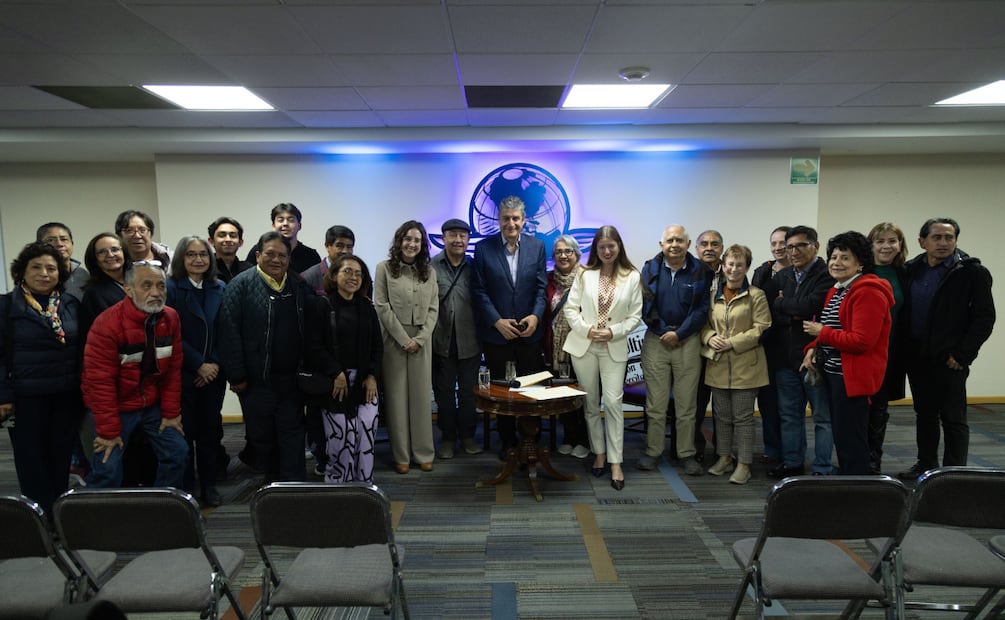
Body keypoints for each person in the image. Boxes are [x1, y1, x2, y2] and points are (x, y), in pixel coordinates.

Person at [218, 231, 328, 482]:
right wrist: (236, 375)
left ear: (289, 260)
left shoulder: (298, 285)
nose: (276, 260)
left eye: (282, 255)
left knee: (292, 432)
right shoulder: (241, 285)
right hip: (256, 380)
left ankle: (293, 485)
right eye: (270, 254)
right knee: (262, 435)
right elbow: (228, 331)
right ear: (258, 255)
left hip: (291, 378)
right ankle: (273, 483)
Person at [898, 218, 995, 479]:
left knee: (953, 418)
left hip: (950, 359)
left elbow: (984, 318)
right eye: (937, 237)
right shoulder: (910, 269)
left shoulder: (972, 273)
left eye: (949, 237)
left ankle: (954, 472)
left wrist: (963, 354)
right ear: (922, 241)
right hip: (918, 356)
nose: (943, 243)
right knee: (925, 414)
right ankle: (926, 464)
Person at [81, 260, 188, 488]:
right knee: (108, 467)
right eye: (146, 285)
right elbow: (100, 383)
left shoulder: (171, 318)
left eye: (161, 286)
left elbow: (172, 372)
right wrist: (109, 432)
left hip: (150, 404)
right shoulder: (107, 325)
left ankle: (163, 506)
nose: (156, 292)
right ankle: (95, 517)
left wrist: (171, 414)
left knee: (177, 451)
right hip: (114, 406)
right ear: (128, 290)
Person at [0, 242, 83, 515]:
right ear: (22, 271)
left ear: (60, 273)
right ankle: (38, 518)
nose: (44, 273)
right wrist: (4, 395)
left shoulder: (70, 304)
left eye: (51, 268)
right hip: (25, 399)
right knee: (30, 460)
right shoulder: (6, 306)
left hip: (66, 395)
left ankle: (58, 513)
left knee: (60, 457)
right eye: (36, 267)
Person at [802, 232, 893, 475]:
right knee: (843, 436)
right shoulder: (838, 289)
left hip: (853, 378)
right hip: (835, 374)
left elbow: (862, 341)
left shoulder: (868, 292)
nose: (836, 262)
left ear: (860, 263)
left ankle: (859, 494)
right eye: (833, 257)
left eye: (845, 258)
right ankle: (850, 484)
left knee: (853, 440)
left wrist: (821, 333)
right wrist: (811, 349)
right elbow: (830, 329)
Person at [563, 226, 642, 491]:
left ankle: (616, 461)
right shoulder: (585, 274)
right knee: (589, 403)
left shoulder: (631, 276)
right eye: (602, 247)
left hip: (614, 345)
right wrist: (587, 330)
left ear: (619, 246)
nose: (607, 251)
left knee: (613, 402)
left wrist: (612, 331)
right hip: (584, 345)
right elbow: (570, 309)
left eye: (611, 246)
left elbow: (635, 316)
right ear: (595, 250)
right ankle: (599, 452)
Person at [472, 196, 548, 458]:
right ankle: (507, 440)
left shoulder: (537, 247)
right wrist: (496, 321)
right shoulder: (483, 249)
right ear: (499, 220)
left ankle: (531, 438)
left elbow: (541, 288)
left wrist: (536, 316)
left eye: (516, 218)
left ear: (523, 220)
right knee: (502, 388)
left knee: (530, 387)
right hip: (497, 333)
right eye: (506, 218)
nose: (511, 223)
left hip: (529, 332)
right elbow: (479, 291)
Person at [637, 224, 711, 476]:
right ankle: (653, 452)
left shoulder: (700, 270)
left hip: (687, 341)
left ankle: (686, 454)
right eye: (669, 240)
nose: (674, 245)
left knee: (686, 405)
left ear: (688, 244)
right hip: (656, 341)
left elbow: (702, 309)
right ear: (661, 245)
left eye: (679, 240)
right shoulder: (650, 268)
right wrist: (663, 332)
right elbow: (645, 304)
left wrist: (679, 333)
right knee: (655, 404)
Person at [766, 225, 835, 478]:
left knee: (822, 418)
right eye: (790, 246)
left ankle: (822, 468)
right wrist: (791, 310)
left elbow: (812, 305)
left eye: (800, 245)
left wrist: (786, 304)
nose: (793, 251)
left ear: (815, 246)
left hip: (814, 356)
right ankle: (793, 462)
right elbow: (773, 312)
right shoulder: (782, 276)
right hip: (786, 358)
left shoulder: (826, 274)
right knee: (789, 415)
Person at [701, 244, 771, 485]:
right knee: (721, 417)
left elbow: (762, 327)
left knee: (743, 418)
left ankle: (744, 464)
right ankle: (723, 458)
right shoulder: (713, 295)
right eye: (730, 264)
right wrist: (710, 337)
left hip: (746, 366)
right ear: (723, 265)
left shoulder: (756, 295)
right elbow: (704, 325)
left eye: (739, 265)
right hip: (718, 365)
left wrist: (732, 342)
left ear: (747, 267)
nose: (734, 269)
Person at [166, 236, 226, 507]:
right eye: (191, 254)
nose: (198, 259)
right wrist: (197, 364)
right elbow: (169, 333)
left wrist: (212, 364)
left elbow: (227, 330)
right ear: (181, 258)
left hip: (213, 373)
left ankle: (209, 485)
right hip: (183, 372)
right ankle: (187, 487)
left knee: (210, 431)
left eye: (203, 254)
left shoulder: (220, 287)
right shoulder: (169, 288)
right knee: (185, 433)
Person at [374, 220, 439, 474]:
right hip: (394, 339)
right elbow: (381, 306)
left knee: (422, 398)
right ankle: (401, 455)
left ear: (422, 245)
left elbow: (434, 308)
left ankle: (423, 452)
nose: (412, 244)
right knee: (397, 399)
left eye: (417, 240)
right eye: (408, 239)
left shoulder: (429, 272)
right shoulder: (384, 269)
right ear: (399, 241)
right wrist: (403, 339)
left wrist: (420, 339)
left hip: (422, 340)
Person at [318, 254, 382, 483]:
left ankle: (364, 486)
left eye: (358, 273)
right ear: (334, 275)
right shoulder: (323, 305)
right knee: (341, 438)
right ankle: (337, 486)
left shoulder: (366, 306)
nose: (353, 277)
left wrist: (373, 376)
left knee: (365, 434)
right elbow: (314, 347)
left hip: (365, 382)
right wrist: (336, 373)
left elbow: (377, 345)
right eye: (347, 271)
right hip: (336, 383)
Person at [431, 219, 482, 459]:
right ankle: (448, 438)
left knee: (469, 393)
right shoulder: (431, 267)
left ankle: (468, 436)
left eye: (463, 235)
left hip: (470, 340)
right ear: (443, 238)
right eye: (453, 235)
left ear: (468, 240)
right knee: (444, 393)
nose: (458, 240)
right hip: (441, 340)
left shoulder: (475, 267)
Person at [866, 222, 909, 473]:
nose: (886, 246)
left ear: (900, 245)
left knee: (880, 409)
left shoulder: (906, 273)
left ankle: (873, 462)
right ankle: (857, 459)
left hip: (891, 350)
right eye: (880, 241)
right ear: (871, 244)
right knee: (861, 407)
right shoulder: (861, 272)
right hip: (863, 349)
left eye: (892, 240)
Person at [750, 226, 791, 465]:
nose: (778, 247)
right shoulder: (762, 272)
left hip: (787, 347)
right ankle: (772, 449)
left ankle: (790, 452)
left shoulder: (799, 274)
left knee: (787, 405)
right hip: (762, 344)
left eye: (783, 243)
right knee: (767, 402)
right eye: (774, 243)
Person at [546, 235, 589, 459]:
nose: (563, 255)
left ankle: (583, 439)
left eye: (568, 251)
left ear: (577, 254)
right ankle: (569, 437)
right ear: (553, 256)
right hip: (555, 348)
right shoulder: (548, 280)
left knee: (582, 395)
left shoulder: (588, 279)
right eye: (559, 252)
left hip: (582, 347)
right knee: (562, 393)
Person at [692, 229, 724, 462]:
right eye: (704, 244)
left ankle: (723, 451)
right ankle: (695, 448)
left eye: (714, 244)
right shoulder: (688, 273)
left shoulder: (734, 273)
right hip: (695, 346)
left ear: (721, 248)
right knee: (696, 403)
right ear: (697, 249)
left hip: (725, 348)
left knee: (724, 406)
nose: (709, 248)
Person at [244, 203, 322, 275]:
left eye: (291, 220)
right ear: (273, 226)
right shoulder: (259, 250)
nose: (285, 224)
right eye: (280, 220)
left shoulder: (311, 255)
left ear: (299, 226)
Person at [79, 233, 127, 337]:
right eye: (102, 252)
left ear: (124, 252)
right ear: (95, 259)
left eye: (115, 249)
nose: (110, 255)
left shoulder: (138, 282)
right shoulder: (93, 294)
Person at [37, 222, 88, 301]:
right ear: (39, 245)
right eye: (51, 240)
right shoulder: (36, 276)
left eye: (64, 239)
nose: (59, 244)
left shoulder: (82, 274)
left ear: (72, 244)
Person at [303, 225, 356, 294]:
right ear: (327, 246)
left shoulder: (358, 277)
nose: (345, 251)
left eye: (349, 247)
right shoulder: (309, 277)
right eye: (339, 246)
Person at [208, 216, 251, 283]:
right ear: (211, 241)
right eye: (222, 235)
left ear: (240, 242)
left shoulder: (249, 270)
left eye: (233, 236)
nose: (228, 239)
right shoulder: (205, 268)